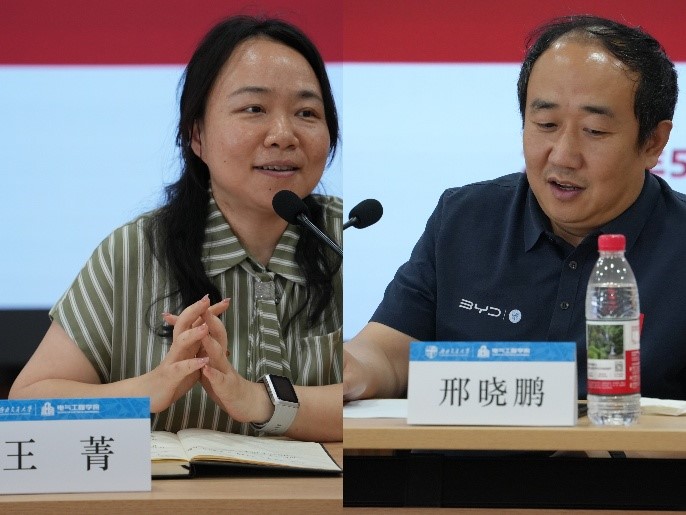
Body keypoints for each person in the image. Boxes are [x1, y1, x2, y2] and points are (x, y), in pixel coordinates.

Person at [10, 16, 343, 442]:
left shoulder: (346, 241)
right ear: (196, 134)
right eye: (254, 109)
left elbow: (385, 395)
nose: (283, 135)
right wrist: (150, 389)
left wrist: (259, 400)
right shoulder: (133, 252)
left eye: (307, 113)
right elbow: (30, 403)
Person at [344, 14, 685, 404]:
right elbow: (387, 353)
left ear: (653, 143)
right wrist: (351, 369)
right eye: (546, 124)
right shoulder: (464, 219)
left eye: (594, 131)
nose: (563, 155)